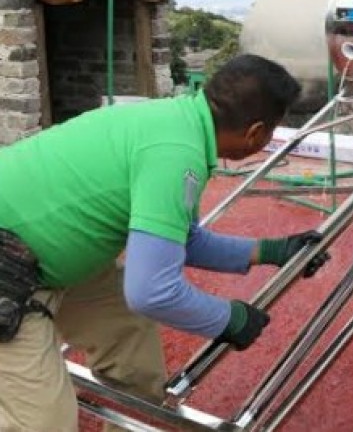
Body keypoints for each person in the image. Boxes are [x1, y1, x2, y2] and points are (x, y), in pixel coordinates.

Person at [0, 53, 330, 432]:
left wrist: (271, 251)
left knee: (131, 345)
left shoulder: (178, 123)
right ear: (257, 132)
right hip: (10, 274)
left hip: (45, 256)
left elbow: (181, 240)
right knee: (44, 423)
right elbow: (151, 290)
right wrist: (229, 320)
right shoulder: (177, 154)